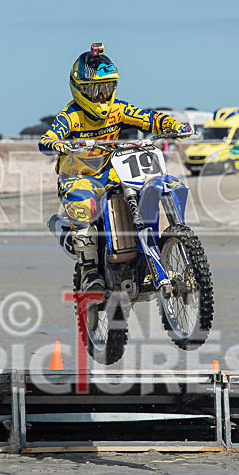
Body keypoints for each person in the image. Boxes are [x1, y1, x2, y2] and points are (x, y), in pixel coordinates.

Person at [39, 43, 192, 292]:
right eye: (95, 90)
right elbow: (47, 139)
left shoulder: (118, 109)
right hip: (81, 174)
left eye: (106, 88)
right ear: (80, 90)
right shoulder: (71, 116)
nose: (101, 96)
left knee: (150, 185)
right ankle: (89, 271)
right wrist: (59, 144)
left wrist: (172, 124)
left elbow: (148, 117)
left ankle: (155, 250)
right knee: (82, 204)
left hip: (114, 169)